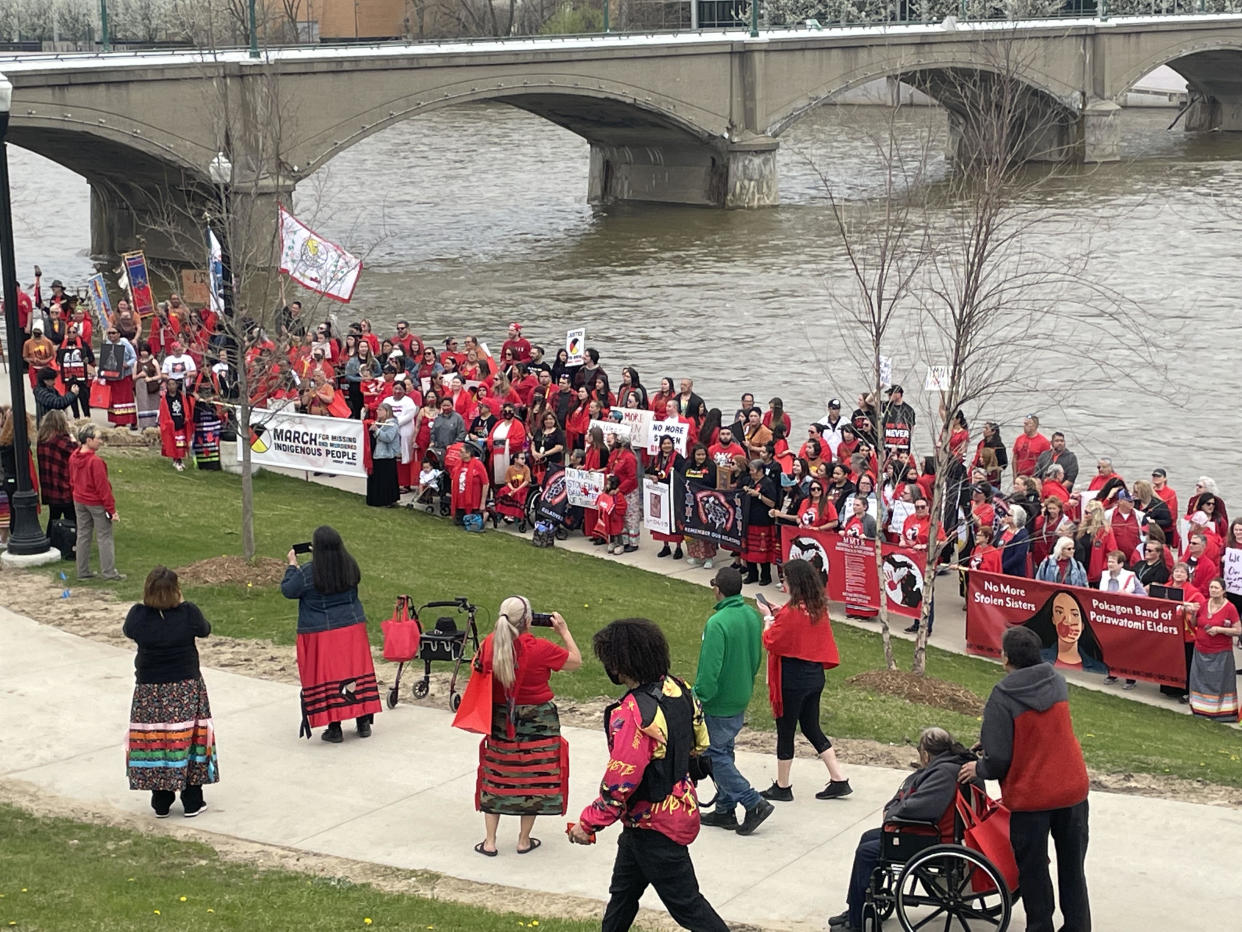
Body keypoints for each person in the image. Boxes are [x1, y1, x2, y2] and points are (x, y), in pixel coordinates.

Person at [568, 617, 727, 932]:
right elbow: (700, 744)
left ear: (620, 665)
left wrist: (587, 824)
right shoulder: (680, 688)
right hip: (669, 810)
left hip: (657, 827)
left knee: (688, 907)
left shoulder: (633, 714)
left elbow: (620, 783)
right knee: (623, 896)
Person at [959, 626, 1090, 932]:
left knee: (1033, 871)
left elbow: (999, 760)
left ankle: (1040, 926)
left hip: (1033, 797)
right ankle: (1078, 927)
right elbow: (1039, 732)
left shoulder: (1002, 695)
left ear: (1006, 658)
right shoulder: (1057, 681)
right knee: (1072, 869)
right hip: (1072, 789)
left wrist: (978, 768)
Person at [829, 727, 977, 932]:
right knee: (868, 837)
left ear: (925, 753)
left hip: (931, 837)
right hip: (933, 832)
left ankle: (856, 922)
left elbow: (919, 807)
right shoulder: (949, 765)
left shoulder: (943, 773)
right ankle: (855, 906)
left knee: (867, 852)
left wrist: (892, 813)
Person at [475, 596, 580, 856]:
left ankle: (490, 841)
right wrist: (564, 632)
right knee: (534, 775)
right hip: (538, 719)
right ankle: (523, 839)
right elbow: (575, 661)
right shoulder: (541, 648)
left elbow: (477, 669)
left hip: (500, 717)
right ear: (529, 620)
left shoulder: (490, 644)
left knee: (497, 774)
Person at [123, 566, 218, 818]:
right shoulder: (188, 614)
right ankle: (192, 799)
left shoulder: (138, 616)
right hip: (184, 687)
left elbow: (129, 631)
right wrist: (181, 604)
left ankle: (161, 800)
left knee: (157, 741)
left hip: (149, 690)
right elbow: (205, 629)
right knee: (189, 740)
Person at [757, 559, 851, 803]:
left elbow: (771, 641)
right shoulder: (816, 607)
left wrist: (768, 618)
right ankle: (839, 778)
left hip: (792, 679)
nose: (783, 583)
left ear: (795, 582)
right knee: (811, 727)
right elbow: (796, 628)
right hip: (814, 677)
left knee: (785, 730)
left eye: (785, 579)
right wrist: (780, 613)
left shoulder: (792, 614)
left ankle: (783, 786)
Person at [281, 526, 381, 742]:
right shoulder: (350, 565)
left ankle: (334, 726)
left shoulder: (309, 572)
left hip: (322, 632)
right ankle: (363, 721)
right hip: (352, 627)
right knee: (355, 672)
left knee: (328, 677)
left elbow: (288, 590)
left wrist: (292, 566)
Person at [694, 567, 773, 835]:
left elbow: (710, 667)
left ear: (718, 589)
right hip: (740, 693)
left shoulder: (717, 623)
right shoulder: (751, 615)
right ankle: (724, 810)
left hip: (719, 700)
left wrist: (698, 697)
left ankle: (753, 802)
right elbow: (756, 655)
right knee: (724, 751)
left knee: (714, 755)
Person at [70, 425, 124, 581]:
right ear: (89, 440)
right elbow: (103, 488)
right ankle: (109, 572)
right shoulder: (95, 462)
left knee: (83, 535)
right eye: (98, 438)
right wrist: (112, 510)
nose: (101, 441)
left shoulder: (74, 456)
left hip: (79, 499)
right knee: (104, 536)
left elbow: (72, 480)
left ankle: (82, 571)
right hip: (95, 502)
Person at [1187, 578, 1241, 721]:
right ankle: (1199, 709)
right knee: (1199, 680)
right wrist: (1193, 613)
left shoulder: (1230, 608)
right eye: (1211, 587)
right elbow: (1195, 623)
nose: (1213, 590)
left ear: (1223, 590)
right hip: (1200, 649)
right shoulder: (1204, 604)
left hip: (1220, 652)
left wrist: (1220, 630)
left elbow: (1238, 630)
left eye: (1216, 588)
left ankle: (1220, 713)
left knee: (1218, 683)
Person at [1024, 589, 1108, 674]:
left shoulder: (1099, 668)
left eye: (1075, 614)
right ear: (1053, 619)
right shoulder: (1037, 658)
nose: (1067, 621)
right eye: (1059, 612)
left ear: (1083, 624)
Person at [36, 409, 76, 531]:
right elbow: (77, 453)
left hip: (49, 488)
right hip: (63, 488)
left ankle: (51, 541)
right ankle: (72, 545)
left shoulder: (42, 440)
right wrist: (72, 436)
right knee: (73, 520)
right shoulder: (62, 441)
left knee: (53, 517)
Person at [366, 403, 400, 507]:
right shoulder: (377, 423)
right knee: (377, 478)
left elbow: (388, 438)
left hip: (387, 455)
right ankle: (375, 499)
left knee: (386, 480)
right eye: (377, 410)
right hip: (376, 454)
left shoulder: (392, 424)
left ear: (387, 411)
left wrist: (377, 430)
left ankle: (387, 500)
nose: (378, 411)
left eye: (380, 410)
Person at [158, 378, 194, 472]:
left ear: (176, 385)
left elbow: (185, 408)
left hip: (180, 423)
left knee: (181, 445)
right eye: (169, 385)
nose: (171, 386)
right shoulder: (165, 399)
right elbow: (164, 413)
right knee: (173, 444)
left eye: (173, 384)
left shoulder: (181, 396)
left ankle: (179, 460)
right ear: (167, 386)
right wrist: (168, 422)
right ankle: (176, 460)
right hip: (171, 425)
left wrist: (186, 417)